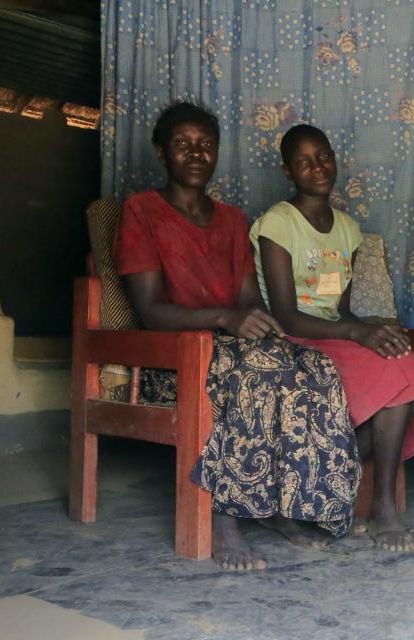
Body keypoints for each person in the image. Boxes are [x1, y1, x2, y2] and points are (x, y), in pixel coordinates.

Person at [113, 103, 362, 571]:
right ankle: (226, 514)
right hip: (174, 356)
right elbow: (149, 311)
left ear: (217, 154)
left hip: (229, 343)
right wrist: (227, 320)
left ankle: (289, 507)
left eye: (206, 145)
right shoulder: (141, 211)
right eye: (183, 144)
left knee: (316, 367)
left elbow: (250, 298)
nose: (195, 154)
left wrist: (261, 324)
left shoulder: (231, 219)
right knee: (253, 373)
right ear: (161, 152)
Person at [250, 124, 414, 552]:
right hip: (292, 340)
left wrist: (374, 334)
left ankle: (380, 504)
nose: (317, 167)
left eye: (324, 156)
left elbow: (339, 310)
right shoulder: (278, 222)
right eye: (304, 161)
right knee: (392, 364)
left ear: (335, 158)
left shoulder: (348, 229)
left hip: (329, 333)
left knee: (401, 359)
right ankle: (343, 489)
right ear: (288, 171)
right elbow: (287, 315)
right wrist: (356, 332)